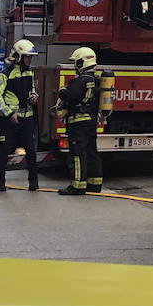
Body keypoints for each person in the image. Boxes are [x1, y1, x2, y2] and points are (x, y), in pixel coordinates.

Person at [0, 39, 40, 193]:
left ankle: (33, 182)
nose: (29, 60)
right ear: (18, 56)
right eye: (27, 57)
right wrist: (9, 113)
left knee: (31, 151)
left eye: (30, 57)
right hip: (8, 121)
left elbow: (32, 90)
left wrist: (34, 96)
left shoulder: (29, 72)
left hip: (26, 118)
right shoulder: (4, 74)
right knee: (4, 150)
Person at [58, 46, 103, 195]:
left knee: (77, 154)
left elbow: (70, 96)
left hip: (78, 123)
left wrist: (62, 90)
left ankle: (77, 186)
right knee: (92, 152)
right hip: (90, 122)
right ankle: (95, 184)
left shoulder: (80, 81)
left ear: (81, 63)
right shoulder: (96, 80)